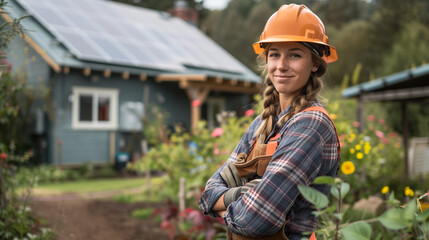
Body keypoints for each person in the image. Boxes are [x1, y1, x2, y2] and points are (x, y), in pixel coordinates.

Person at [199, 4, 340, 240]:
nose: (281, 65)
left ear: (315, 63)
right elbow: (209, 191)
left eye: (295, 54)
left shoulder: (311, 124)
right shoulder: (262, 123)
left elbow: (257, 219)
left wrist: (224, 206)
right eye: (274, 54)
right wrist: (243, 195)